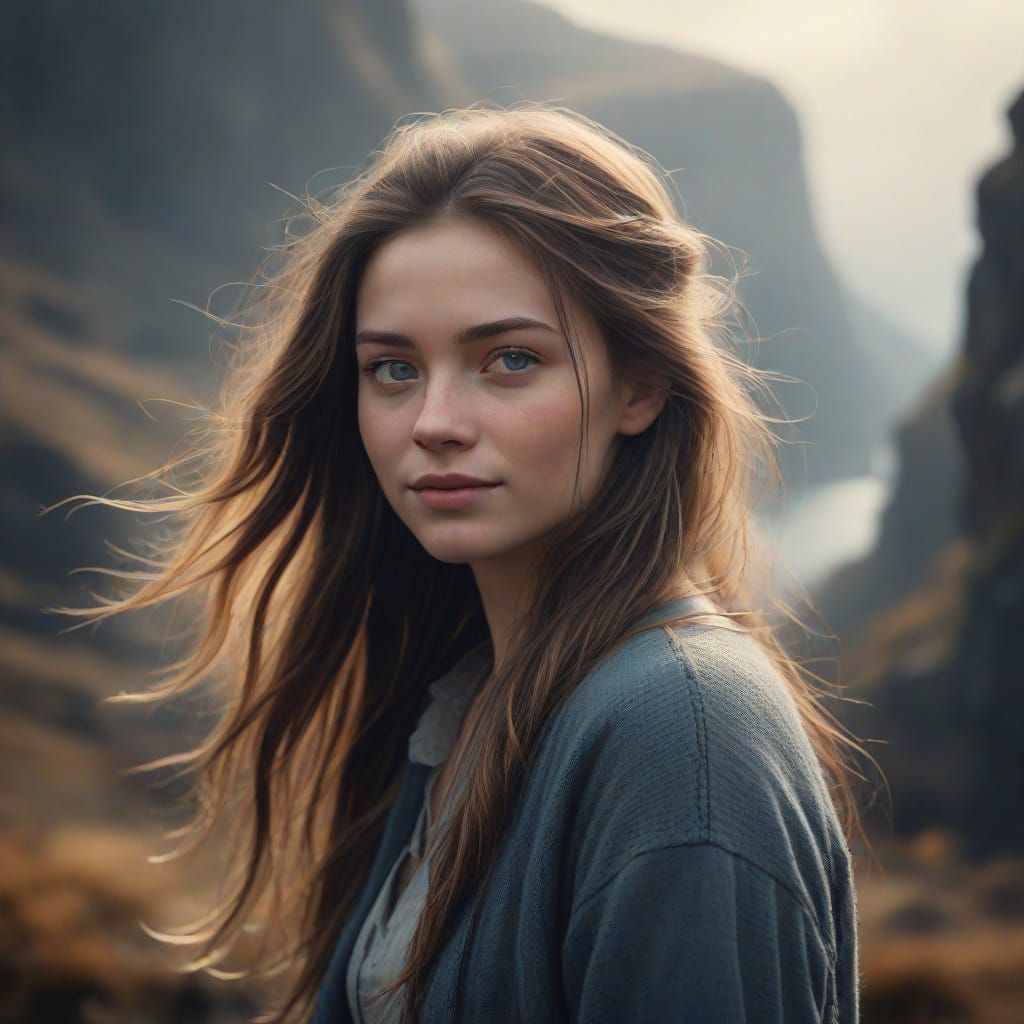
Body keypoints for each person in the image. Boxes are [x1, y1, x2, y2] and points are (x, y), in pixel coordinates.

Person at [51, 102, 870, 1022]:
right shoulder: (467, 695)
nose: (434, 421)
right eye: (392, 369)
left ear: (639, 386)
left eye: (510, 360)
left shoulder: (682, 734)